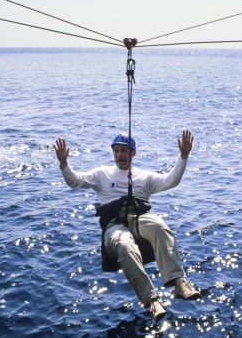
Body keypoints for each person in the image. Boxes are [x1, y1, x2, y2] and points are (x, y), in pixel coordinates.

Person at [54, 130, 201, 322]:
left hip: (139, 219)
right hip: (114, 224)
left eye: (124, 151)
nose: (119, 155)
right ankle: (151, 301)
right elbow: (75, 181)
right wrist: (64, 163)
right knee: (124, 244)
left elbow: (170, 181)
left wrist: (183, 156)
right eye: (116, 151)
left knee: (159, 225)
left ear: (133, 153)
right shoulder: (102, 174)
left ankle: (180, 283)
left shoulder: (144, 176)